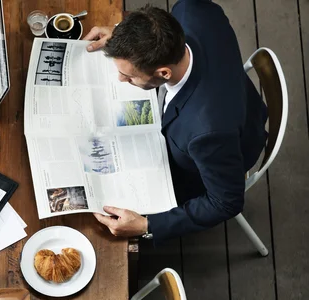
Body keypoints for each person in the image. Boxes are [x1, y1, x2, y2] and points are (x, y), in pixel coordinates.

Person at [83, 1, 268, 243]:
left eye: (128, 75)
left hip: (208, 165)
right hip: (235, 98)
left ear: (163, 73)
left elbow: (226, 202)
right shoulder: (192, 9)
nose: (120, 78)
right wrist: (123, 39)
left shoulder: (207, 132)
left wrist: (147, 225)